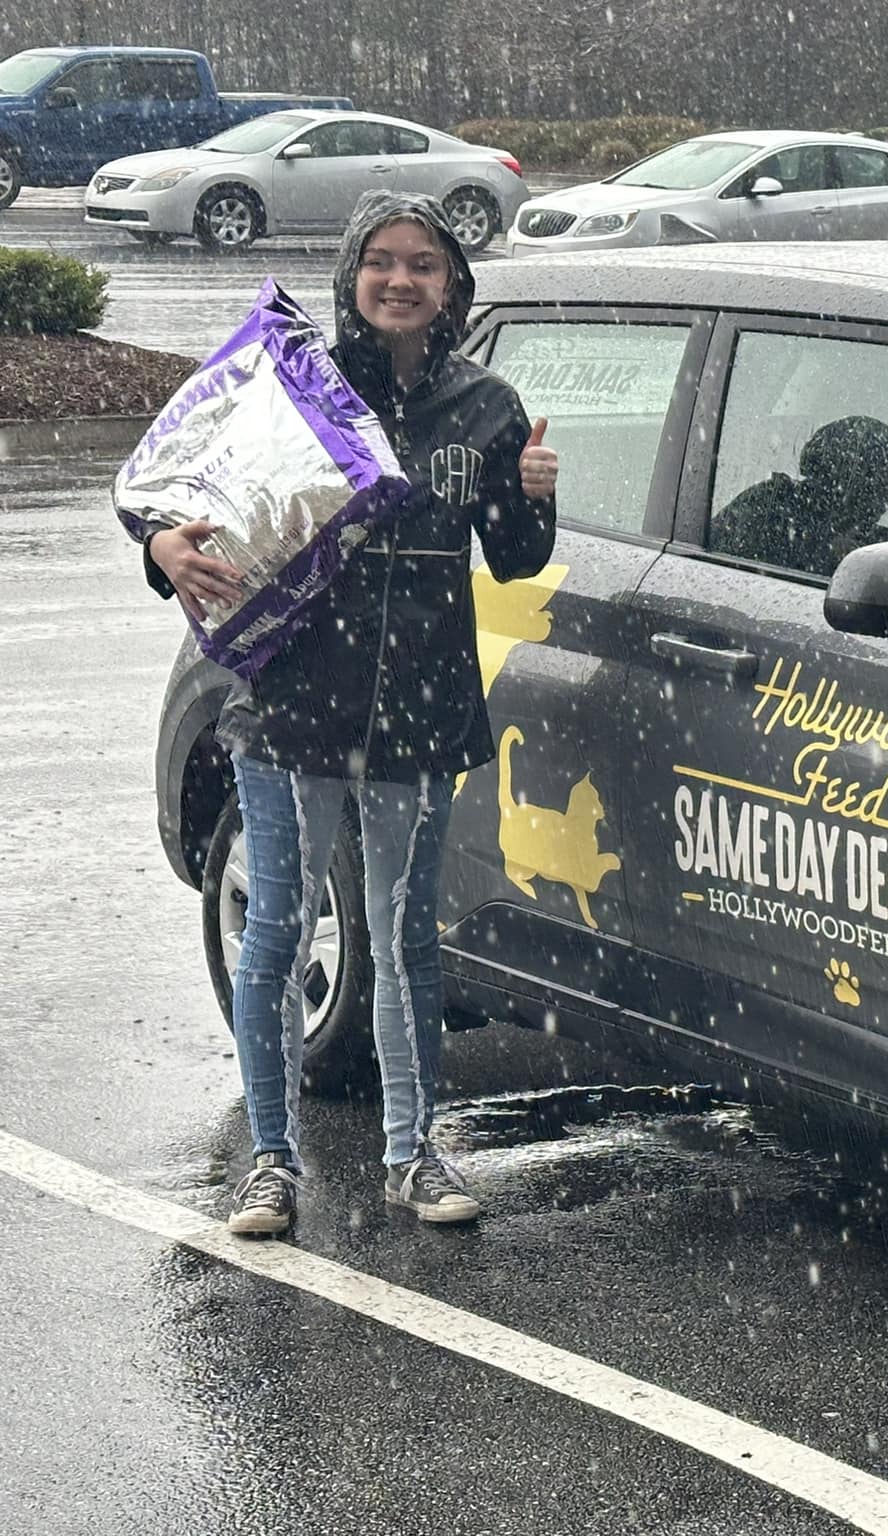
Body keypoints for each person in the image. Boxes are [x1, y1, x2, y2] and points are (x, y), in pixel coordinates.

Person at [141, 191, 559, 1236]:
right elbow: (181, 484)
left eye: (423, 264)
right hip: (291, 710)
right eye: (381, 261)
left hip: (422, 717)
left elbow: (513, 557)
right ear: (351, 276)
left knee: (406, 936)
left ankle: (413, 1157)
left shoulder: (486, 407)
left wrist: (533, 491)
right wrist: (158, 548)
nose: (401, 280)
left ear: (450, 287)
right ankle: (271, 1164)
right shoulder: (297, 391)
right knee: (277, 933)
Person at [709, 415, 888, 574]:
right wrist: (828, 553)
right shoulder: (766, 508)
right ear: (855, 481)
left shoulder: (879, 546)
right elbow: (729, 578)